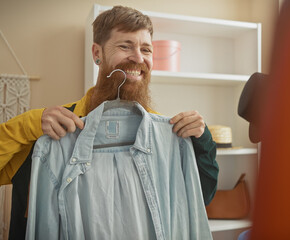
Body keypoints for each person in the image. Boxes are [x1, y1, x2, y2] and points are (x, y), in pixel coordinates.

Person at [0, 5, 218, 239]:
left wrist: (203, 143)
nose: (138, 57)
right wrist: (28, 124)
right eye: (125, 46)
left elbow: (199, 198)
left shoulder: (166, 134)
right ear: (97, 53)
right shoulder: (46, 130)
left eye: (146, 49)